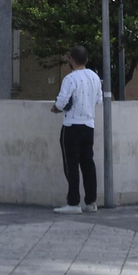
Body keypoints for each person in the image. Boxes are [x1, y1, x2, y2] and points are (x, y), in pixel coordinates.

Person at [51, 44, 102, 214]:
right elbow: (99, 100)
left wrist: (55, 109)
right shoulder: (95, 77)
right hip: (89, 125)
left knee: (71, 164)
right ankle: (91, 202)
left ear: (71, 59)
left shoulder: (70, 79)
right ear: (86, 59)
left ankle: (73, 202)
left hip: (72, 125)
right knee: (88, 163)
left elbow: (61, 103)